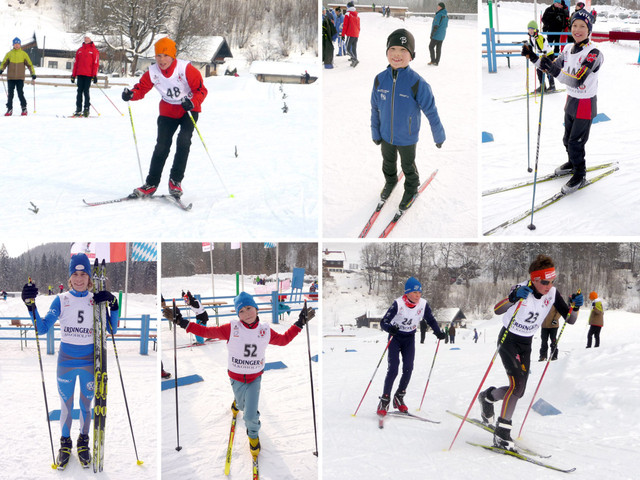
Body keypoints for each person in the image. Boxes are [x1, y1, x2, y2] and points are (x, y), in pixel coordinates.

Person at [169, 291, 315, 460]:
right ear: (237, 314)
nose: (246, 314)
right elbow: (207, 332)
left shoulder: (265, 330)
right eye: (241, 311)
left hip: (254, 378)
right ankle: (237, 403)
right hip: (235, 377)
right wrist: (182, 322)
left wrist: (299, 323)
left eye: (249, 308)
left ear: (256, 309)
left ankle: (253, 436)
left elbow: (283, 340)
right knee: (242, 405)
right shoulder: (232, 328)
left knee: (250, 415)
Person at [20, 253, 119, 469]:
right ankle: (65, 444)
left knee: (86, 406)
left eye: (84, 274)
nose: (80, 278)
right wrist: (31, 306)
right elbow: (42, 328)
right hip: (66, 362)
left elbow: (111, 329)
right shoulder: (62, 299)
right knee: (66, 406)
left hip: (88, 363)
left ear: (90, 277)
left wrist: (114, 304)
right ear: (70, 276)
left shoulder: (96, 300)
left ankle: (83, 441)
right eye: (75, 274)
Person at [477, 254, 583, 450]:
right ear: (534, 279)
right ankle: (502, 433)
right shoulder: (521, 288)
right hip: (508, 338)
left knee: (519, 391)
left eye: (552, 281)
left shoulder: (552, 293)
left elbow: (570, 320)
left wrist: (575, 307)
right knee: (516, 386)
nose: (548, 286)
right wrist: (513, 298)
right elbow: (498, 310)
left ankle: (488, 396)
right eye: (544, 282)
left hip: (526, 343)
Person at [522, 10, 601, 195]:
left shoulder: (594, 54)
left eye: (583, 26)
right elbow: (553, 66)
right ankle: (573, 163)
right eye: (575, 25)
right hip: (571, 100)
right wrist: (533, 56)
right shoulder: (567, 49)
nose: (578, 29)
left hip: (585, 103)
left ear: (589, 29)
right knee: (567, 139)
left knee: (576, 142)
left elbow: (577, 80)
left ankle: (580, 173)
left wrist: (553, 70)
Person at [122, 37, 208, 198]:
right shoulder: (153, 72)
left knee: (183, 141)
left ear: (173, 56)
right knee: (162, 146)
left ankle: (175, 181)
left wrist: (193, 102)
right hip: (167, 111)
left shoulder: (186, 69)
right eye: (158, 56)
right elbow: (141, 88)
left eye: (166, 55)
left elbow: (201, 90)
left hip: (187, 110)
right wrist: (131, 94)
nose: (162, 60)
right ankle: (151, 184)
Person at [371, 29, 446, 211]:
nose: (397, 54)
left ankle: (411, 187)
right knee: (387, 163)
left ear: (411, 55)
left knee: (407, 165)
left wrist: (439, 136)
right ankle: (390, 181)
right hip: (386, 134)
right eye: (393, 49)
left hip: (407, 136)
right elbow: (374, 108)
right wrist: (375, 132)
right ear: (387, 52)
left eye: (403, 50)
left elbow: (431, 111)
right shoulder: (380, 80)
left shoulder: (417, 83)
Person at [376, 277, 446, 416]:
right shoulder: (398, 303)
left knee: (408, 368)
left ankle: (399, 396)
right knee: (393, 369)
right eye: (415, 293)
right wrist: (390, 329)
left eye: (420, 293)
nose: (418, 295)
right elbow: (384, 322)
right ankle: (385, 399)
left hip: (409, 338)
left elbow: (430, 319)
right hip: (395, 338)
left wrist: (438, 332)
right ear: (407, 293)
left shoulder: (423, 304)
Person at [0, 37, 36, 116]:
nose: (17, 45)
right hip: (11, 78)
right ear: (13, 45)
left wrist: (32, 73)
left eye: (18, 44)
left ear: (20, 45)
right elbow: (4, 63)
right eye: (15, 44)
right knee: (10, 95)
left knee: (20, 93)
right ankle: (9, 109)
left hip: (20, 78)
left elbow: (30, 65)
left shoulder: (24, 54)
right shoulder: (9, 54)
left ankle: (24, 108)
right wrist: (1, 69)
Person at [71, 35, 100, 117]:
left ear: (91, 39)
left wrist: (94, 75)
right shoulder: (79, 50)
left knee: (86, 91)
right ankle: (78, 109)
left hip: (88, 74)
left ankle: (86, 109)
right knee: (79, 91)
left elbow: (96, 64)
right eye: (85, 38)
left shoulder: (94, 51)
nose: (86, 39)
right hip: (80, 73)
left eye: (88, 38)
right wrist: (73, 75)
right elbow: (76, 63)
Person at [525, 21, 556, 93]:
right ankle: (542, 86)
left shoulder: (539, 36)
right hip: (542, 55)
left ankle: (552, 86)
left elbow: (541, 47)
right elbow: (534, 48)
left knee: (548, 70)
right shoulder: (531, 37)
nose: (530, 31)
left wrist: (536, 39)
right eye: (529, 29)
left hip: (548, 54)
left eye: (532, 29)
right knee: (539, 70)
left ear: (536, 29)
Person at [342, 1, 361, 67]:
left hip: (350, 34)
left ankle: (354, 59)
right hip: (356, 34)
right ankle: (354, 59)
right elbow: (358, 25)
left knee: (347, 48)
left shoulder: (348, 14)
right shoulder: (356, 14)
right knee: (353, 47)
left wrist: (343, 34)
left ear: (348, 7)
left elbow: (345, 25)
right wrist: (357, 32)